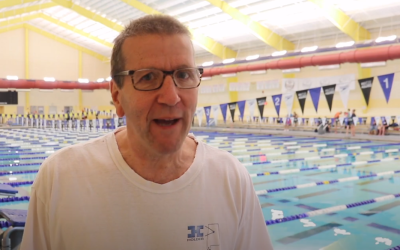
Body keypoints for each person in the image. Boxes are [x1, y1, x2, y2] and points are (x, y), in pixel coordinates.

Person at [21, 15, 273, 250]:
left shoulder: (231, 178)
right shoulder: (60, 178)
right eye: (148, 77)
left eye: (184, 74)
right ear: (117, 96)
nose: (171, 97)